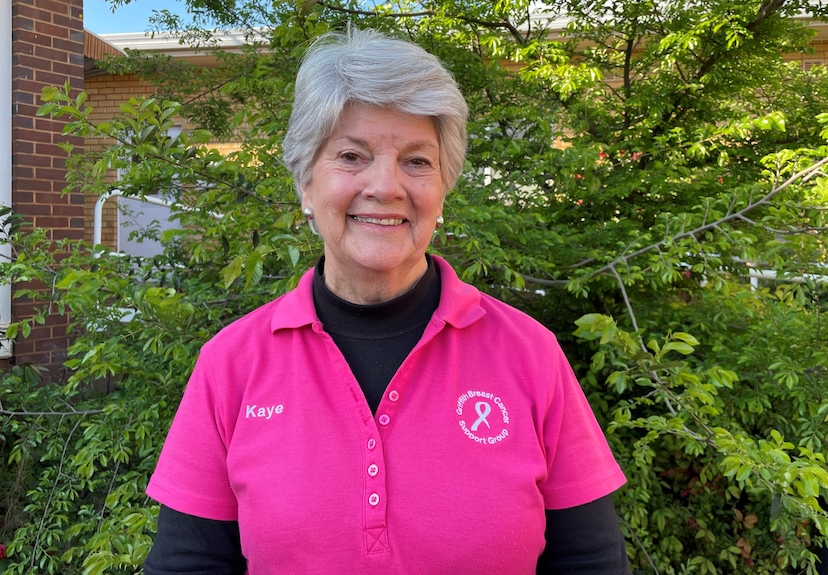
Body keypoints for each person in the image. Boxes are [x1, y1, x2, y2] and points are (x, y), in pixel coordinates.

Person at [144, 27, 632, 574]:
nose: (386, 185)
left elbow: (591, 561)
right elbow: (187, 565)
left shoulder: (529, 354)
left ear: (444, 187)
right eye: (352, 155)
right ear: (305, 184)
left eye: (417, 162)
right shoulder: (231, 364)